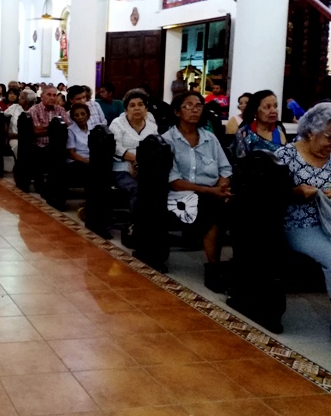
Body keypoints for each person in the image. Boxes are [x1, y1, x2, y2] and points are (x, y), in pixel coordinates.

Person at [161, 92, 233, 289]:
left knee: (241, 208)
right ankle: (213, 268)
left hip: (213, 192)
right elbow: (174, 182)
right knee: (214, 208)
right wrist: (211, 192)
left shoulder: (210, 138)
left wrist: (222, 186)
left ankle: (242, 267)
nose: (195, 109)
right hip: (179, 196)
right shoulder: (167, 140)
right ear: (177, 112)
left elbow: (225, 169)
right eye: (188, 106)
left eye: (199, 106)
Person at [275, 103, 331, 310]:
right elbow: (267, 195)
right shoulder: (285, 156)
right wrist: (294, 193)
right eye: (329, 137)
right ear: (310, 133)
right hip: (299, 225)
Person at [108, 89, 159, 212]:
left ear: (146, 109)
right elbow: (116, 148)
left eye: (140, 105)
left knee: (157, 186)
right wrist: (135, 160)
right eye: (132, 105)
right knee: (136, 188)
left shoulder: (152, 127)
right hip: (121, 168)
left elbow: (155, 148)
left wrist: (141, 164)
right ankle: (136, 221)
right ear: (126, 110)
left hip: (146, 167)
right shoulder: (117, 124)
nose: (137, 108)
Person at [28, 86, 69, 197]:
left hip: (58, 145)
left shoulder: (60, 110)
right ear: (42, 97)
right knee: (42, 153)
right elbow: (36, 131)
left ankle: (57, 187)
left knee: (62, 154)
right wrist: (55, 128)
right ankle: (41, 186)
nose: (52, 98)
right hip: (40, 144)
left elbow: (66, 127)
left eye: (54, 95)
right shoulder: (34, 110)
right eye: (49, 95)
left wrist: (46, 127)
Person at [234, 89, 286, 158]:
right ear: (255, 112)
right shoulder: (244, 133)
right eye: (267, 107)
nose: (274, 111)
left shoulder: (279, 133)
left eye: (275, 106)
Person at [66, 103, 91, 186]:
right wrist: (87, 161)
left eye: (83, 114)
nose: (80, 117)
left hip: (91, 159)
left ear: (88, 115)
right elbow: (71, 154)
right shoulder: (70, 130)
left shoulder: (93, 128)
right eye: (76, 115)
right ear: (73, 117)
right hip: (77, 161)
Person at [5, 89, 35, 157]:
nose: (19, 98)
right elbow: (3, 118)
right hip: (14, 139)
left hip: (29, 139)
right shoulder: (14, 107)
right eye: (20, 96)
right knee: (18, 148)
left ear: (28, 101)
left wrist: (20, 135)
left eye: (22, 98)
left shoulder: (34, 110)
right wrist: (6, 132)